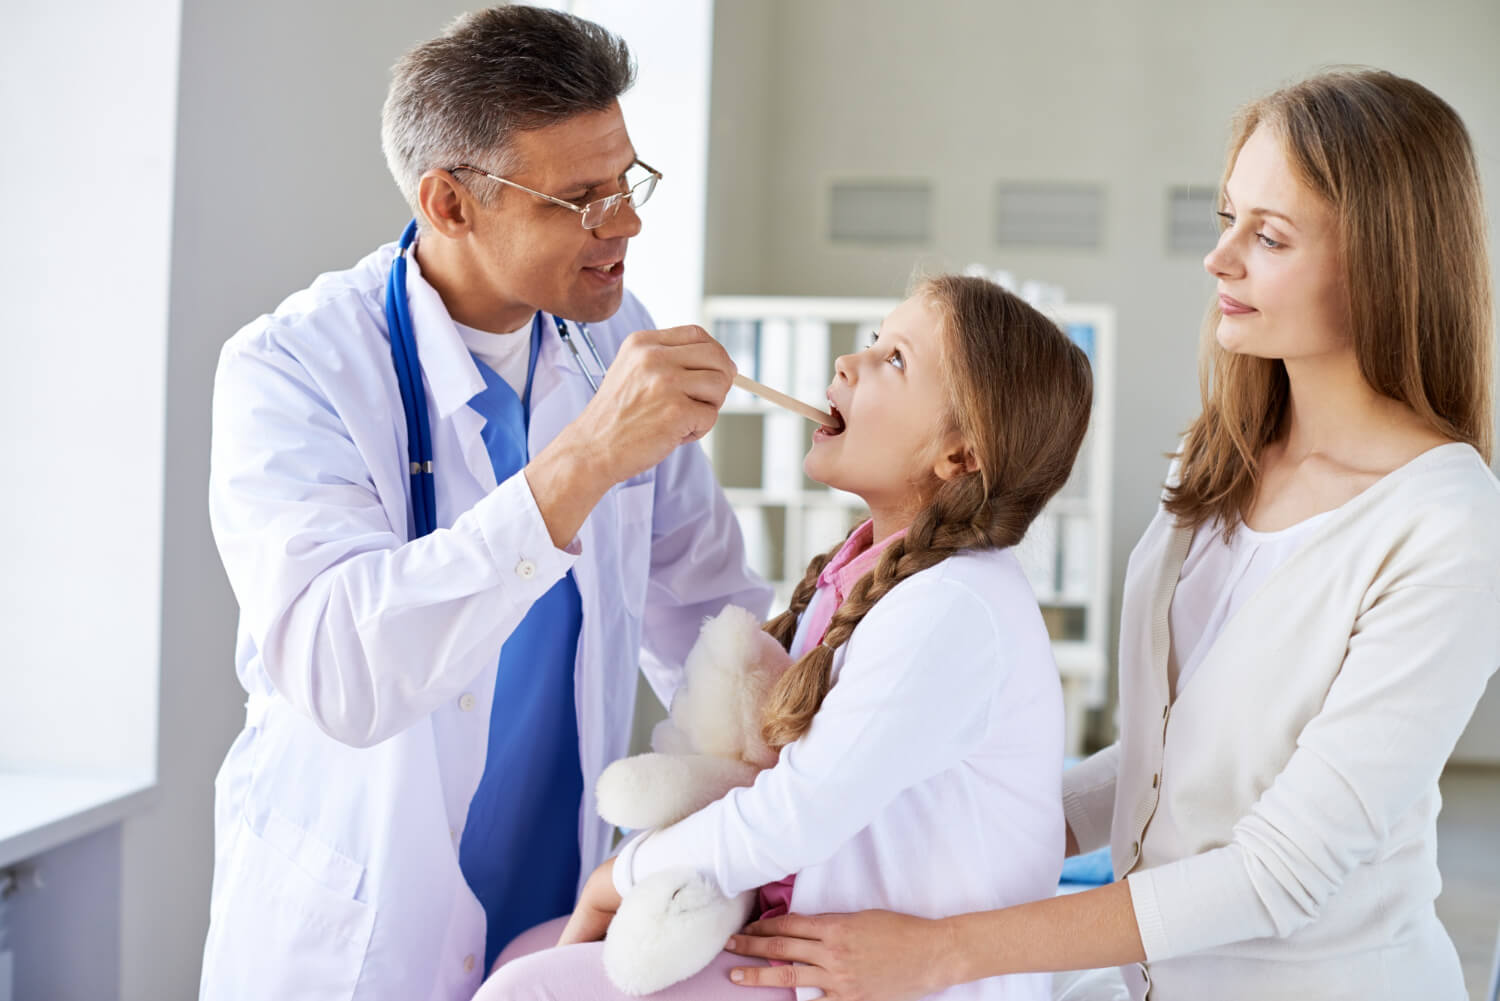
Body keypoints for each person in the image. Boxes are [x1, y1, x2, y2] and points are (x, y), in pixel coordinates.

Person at [721, 68, 1500, 1001]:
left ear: (1384, 265)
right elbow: (1167, 759)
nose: (1221, 260)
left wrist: (947, 947)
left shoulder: (1446, 525)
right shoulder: (1212, 466)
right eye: (1226, 219)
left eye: (1270, 236)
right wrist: (931, 810)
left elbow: (1282, 868)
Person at [199, 8, 771, 1000]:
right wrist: (583, 461)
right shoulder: (291, 370)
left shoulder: (613, 337)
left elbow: (712, 614)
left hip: (561, 915)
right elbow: (343, 669)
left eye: (628, 181)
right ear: (450, 202)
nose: (626, 223)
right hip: (360, 935)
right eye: (581, 199)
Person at [469, 275, 1097, 1001]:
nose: (847, 365)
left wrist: (627, 872)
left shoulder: (954, 605)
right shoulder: (874, 575)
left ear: (960, 455)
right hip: (799, 942)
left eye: (894, 359)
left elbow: (791, 814)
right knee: (523, 952)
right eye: (871, 341)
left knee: (527, 990)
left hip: (863, 977)